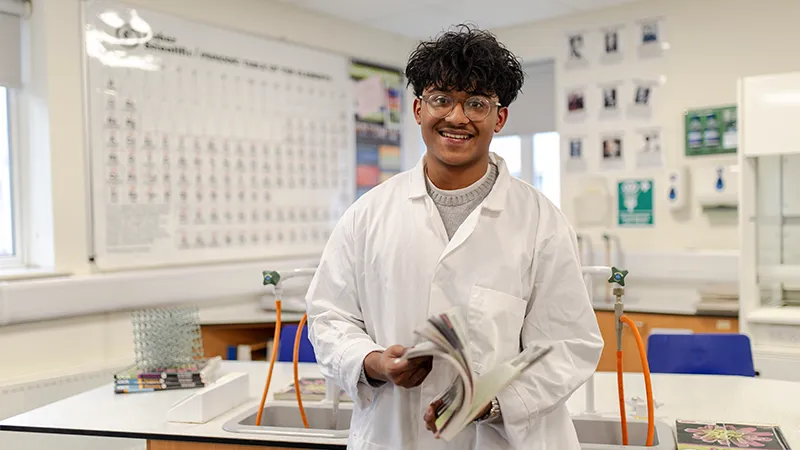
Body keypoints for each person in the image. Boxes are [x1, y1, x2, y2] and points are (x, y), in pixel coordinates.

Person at [306, 24, 603, 450]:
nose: (456, 117)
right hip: (396, 435)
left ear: (499, 117)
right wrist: (372, 362)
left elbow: (569, 345)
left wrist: (494, 401)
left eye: (476, 103)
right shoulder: (367, 216)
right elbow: (329, 318)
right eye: (441, 99)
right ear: (417, 110)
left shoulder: (540, 221)